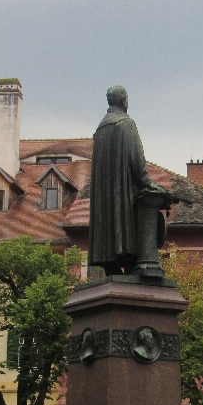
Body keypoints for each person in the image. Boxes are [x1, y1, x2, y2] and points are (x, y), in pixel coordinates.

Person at [87, 85, 159, 276]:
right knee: (129, 239)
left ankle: (111, 269)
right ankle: (127, 261)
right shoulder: (126, 124)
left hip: (104, 199)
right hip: (124, 196)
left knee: (109, 243)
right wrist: (148, 183)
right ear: (124, 101)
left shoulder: (100, 129)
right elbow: (136, 160)